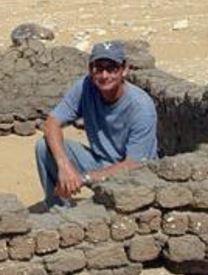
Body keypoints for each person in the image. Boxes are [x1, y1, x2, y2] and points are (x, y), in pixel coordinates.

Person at [36, 41, 158, 208]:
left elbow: (134, 164)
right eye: (99, 68)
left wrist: (83, 177)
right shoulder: (85, 87)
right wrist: (64, 166)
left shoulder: (141, 107)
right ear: (90, 69)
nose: (104, 75)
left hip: (132, 174)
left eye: (112, 68)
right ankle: (57, 209)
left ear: (124, 70)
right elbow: (52, 123)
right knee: (44, 146)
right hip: (100, 160)